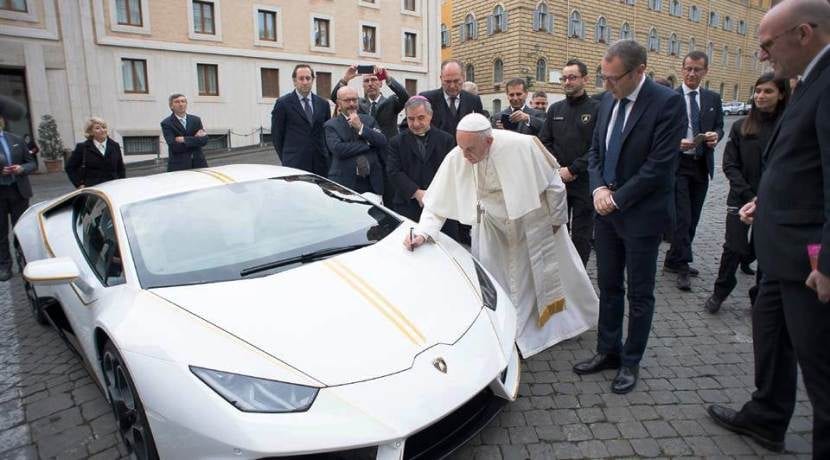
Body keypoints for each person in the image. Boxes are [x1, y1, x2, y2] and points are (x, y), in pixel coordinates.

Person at [706, 1, 830, 456]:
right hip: (780, 255)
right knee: (772, 340)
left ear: (803, 33)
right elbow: (804, 167)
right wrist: (768, 200)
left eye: (766, 45)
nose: (762, 56)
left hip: (810, 262)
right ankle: (767, 416)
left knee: (822, 375)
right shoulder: (808, 82)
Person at [404, 113, 599, 358]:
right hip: (492, 226)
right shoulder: (460, 154)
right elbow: (436, 202)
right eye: (461, 148)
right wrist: (423, 233)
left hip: (530, 221)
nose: (465, 156)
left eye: (470, 149)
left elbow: (555, 184)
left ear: (489, 141)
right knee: (496, 281)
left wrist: (557, 220)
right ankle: (507, 330)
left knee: (533, 280)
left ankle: (548, 330)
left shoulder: (523, 146)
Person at [574, 40, 687, 394]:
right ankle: (608, 350)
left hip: (641, 216)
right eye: (603, 77)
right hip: (606, 212)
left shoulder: (667, 103)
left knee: (640, 294)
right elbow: (594, 153)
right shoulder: (607, 100)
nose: (606, 86)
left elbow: (659, 166)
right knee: (609, 286)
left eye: (613, 78)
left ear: (640, 71)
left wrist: (616, 198)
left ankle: (630, 361)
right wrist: (597, 191)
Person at [704, 73, 788, 314]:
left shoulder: (788, 126)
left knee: (764, 250)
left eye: (768, 91)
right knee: (733, 247)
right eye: (758, 91)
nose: (761, 96)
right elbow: (730, 164)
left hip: (774, 201)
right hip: (740, 199)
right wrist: (749, 195)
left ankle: (759, 296)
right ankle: (720, 292)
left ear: (781, 94)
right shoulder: (742, 126)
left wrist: (765, 197)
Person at [663, 51, 724, 291]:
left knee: (694, 218)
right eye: (688, 68)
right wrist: (676, 142)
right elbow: (660, 130)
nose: (691, 73)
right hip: (677, 166)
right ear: (682, 69)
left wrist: (716, 135)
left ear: (705, 72)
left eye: (697, 69)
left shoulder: (712, 98)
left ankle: (672, 259)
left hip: (700, 164)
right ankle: (683, 266)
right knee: (682, 217)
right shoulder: (670, 97)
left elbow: (719, 125)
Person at [539, 59, 600, 266]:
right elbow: (544, 142)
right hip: (557, 181)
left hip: (584, 183)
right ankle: (560, 273)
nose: (567, 82)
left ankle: (579, 275)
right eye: (564, 78)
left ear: (585, 79)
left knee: (582, 236)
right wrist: (559, 168)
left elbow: (597, 147)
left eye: (572, 77)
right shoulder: (555, 110)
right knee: (557, 230)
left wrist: (574, 169)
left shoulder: (597, 109)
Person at [386, 96, 458, 240]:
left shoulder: (446, 139)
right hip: (408, 206)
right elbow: (393, 171)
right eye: (411, 119)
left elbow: (451, 172)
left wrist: (433, 194)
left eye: (420, 118)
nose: (416, 123)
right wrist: (417, 192)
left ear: (430, 116)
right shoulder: (396, 142)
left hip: (441, 206)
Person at [324, 87, 387, 196]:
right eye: (347, 100)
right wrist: (368, 143)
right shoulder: (331, 125)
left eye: (354, 99)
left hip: (372, 183)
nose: (352, 104)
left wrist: (361, 127)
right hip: (344, 184)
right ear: (339, 102)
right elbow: (338, 150)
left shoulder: (369, 120)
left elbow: (382, 141)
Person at [271, 64, 331, 176]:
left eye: (308, 78)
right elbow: (277, 136)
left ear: (313, 80)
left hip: (320, 164)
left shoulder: (323, 104)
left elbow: (326, 133)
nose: (305, 82)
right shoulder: (283, 103)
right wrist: (287, 158)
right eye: (301, 78)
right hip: (294, 163)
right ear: (294, 81)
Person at [0, 112, 36, 281]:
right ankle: (4, 266)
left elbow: (32, 163)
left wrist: (22, 169)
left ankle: (25, 262)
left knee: (21, 230)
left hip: (18, 191)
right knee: (1, 232)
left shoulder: (16, 139)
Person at [330, 65, 409, 140]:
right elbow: (335, 98)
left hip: (388, 149)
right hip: (366, 149)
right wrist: (345, 79)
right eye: (366, 81)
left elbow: (405, 98)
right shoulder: (357, 104)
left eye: (374, 80)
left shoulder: (392, 102)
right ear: (363, 85)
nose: (370, 84)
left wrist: (388, 78)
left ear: (381, 83)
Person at [420, 60, 484, 137]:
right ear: (441, 79)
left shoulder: (474, 100)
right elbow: (408, 127)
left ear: (463, 78)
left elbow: (482, 128)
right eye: (448, 82)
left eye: (456, 81)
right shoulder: (426, 99)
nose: (452, 86)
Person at [65, 117, 126, 188]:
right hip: (93, 190)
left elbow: (120, 168)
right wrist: (78, 184)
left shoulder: (115, 146)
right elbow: (70, 167)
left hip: (113, 188)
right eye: (97, 128)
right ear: (90, 132)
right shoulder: (82, 147)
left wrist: (122, 183)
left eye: (104, 127)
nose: (102, 130)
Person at [160, 94, 209, 172]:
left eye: (183, 101)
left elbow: (204, 140)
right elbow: (174, 146)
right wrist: (195, 139)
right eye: (177, 102)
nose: (181, 104)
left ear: (186, 104)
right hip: (179, 166)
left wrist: (184, 139)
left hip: (199, 163)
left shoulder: (196, 120)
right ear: (171, 106)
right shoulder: (166, 123)